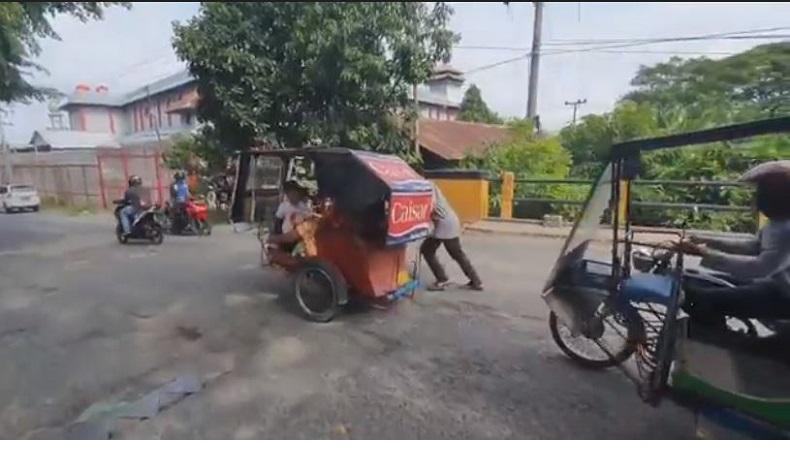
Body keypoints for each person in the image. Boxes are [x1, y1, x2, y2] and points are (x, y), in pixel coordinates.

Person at [678, 179, 790, 325]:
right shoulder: (776, 223)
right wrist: (706, 241)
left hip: (783, 294)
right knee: (692, 279)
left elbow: (761, 267)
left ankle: (729, 344)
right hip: (775, 284)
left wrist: (705, 253)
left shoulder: (786, 228)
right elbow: (753, 247)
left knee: (699, 298)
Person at [420, 183, 483, 291]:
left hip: (445, 223)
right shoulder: (429, 185)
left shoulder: (426, 186)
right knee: (453, 253)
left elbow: (431, 206)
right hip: (447, 221)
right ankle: (475, 281)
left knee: (430, 250)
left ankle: (442, 279)